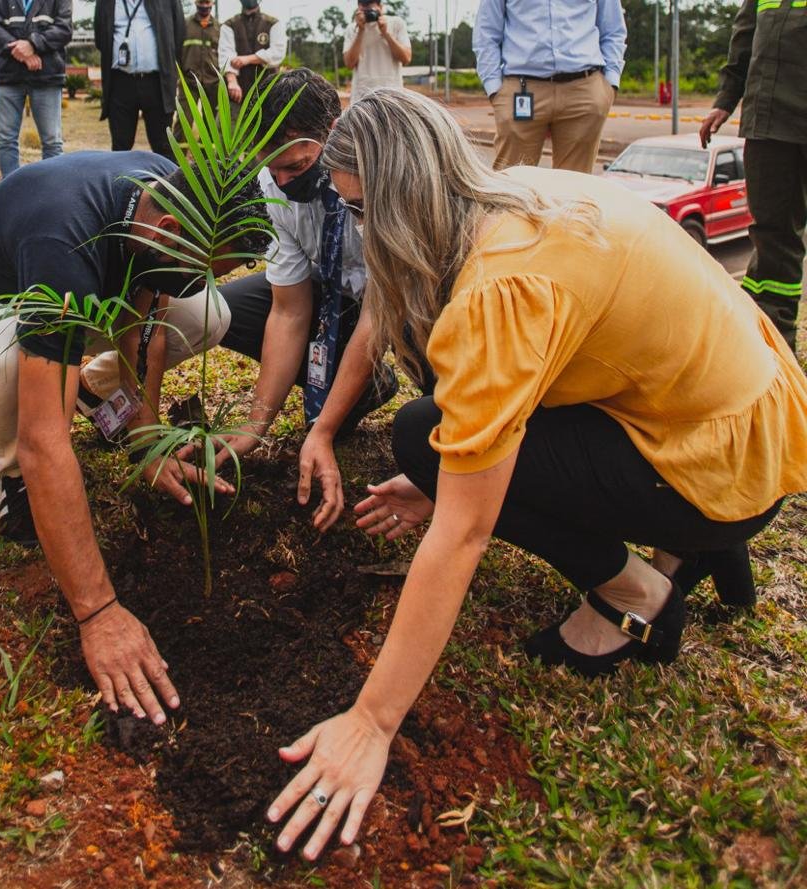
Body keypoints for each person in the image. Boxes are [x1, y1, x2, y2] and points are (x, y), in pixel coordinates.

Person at [264, 89, 807, 860]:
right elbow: (404, 315)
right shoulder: (519, 192)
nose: (354, 230)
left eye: (356, 212)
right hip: (731, 411)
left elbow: (464, 532)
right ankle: (694, 534)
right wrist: (362, 443)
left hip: (716, 464)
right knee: (438, 443)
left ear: (394, 205)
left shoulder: (500, 288)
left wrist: (372, 721)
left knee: (426, 432)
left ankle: (639, 593)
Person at [0, 150, 269, 723]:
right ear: (170, 230)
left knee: (206, 314)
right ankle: (15, 479)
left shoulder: (159, 192)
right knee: (9, 372)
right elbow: (48, 442)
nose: (202, 278)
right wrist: (98, 613)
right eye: (205, 264)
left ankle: (92, 389)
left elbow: (146, 297)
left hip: (61, 300)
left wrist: (147, 435)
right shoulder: (63, 243)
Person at [80, 69, 399, 485]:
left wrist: (321, 432)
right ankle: (361, 389)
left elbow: (381, 315)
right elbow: (290, 312)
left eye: (298, 165)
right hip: (328, 294)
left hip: (396, 300)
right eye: (273, 168)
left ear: (334, 133)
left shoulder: (377, 177)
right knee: (220, 311)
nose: (284, 181)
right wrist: (254, 427)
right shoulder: (273, 187)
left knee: (419, 325)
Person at [700, 0, 805, 357]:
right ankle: (774, 342)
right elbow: (744, 38)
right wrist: (725, 100)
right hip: (769, 123)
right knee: (772, 237)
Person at [472, 0, 626, 173]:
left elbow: (614, 30)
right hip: (521, 92)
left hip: (583, 91)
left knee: (576, 189)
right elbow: (486, 34)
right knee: (513, 187)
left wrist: (609, 85)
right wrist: (495, 90)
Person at [0, 0, 71, 178]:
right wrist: (23, 54)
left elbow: (64, 29)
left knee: (52, 142)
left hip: (46, 76)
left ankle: (50, 194)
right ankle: (11, 195)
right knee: (6, 140)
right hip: (8, 76)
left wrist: (32, 44)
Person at [94, 0, 183, 157]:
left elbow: (179, 34)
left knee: (163, 146)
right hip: (120, 82)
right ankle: (122, 182)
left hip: (157, 83)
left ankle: (168, 181)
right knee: (120, 146)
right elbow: (101, 38)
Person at [342, 0, 411, 105]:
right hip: (362, 98)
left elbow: (406, 58)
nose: (368, 13)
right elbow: (349, 64)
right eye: (363, 8)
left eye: (370, 8)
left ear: (381, 7)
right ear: (358, 8)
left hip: (393, 97)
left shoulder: (396, 23)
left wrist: (386, 33)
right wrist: (360, 31)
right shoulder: (352, 29)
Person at [218, 0, 285, 106]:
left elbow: (277, 53)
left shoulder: (273, 23)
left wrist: (247, 59)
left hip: (268, 91)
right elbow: (226, 54)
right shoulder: (229, 25)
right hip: (238, 92)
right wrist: (232, 82)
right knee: (228, 122)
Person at [173, 0, 220, 143]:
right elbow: (176, 51)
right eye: (201, 2)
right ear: (195, 2)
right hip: (189, 81)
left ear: (212, 3)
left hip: (213, 83)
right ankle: (176, 161)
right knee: (184, 121)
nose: (204, 6)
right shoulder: (184, 25)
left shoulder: (220, 28)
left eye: (207, 2)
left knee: (211, 124)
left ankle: (207, 161)